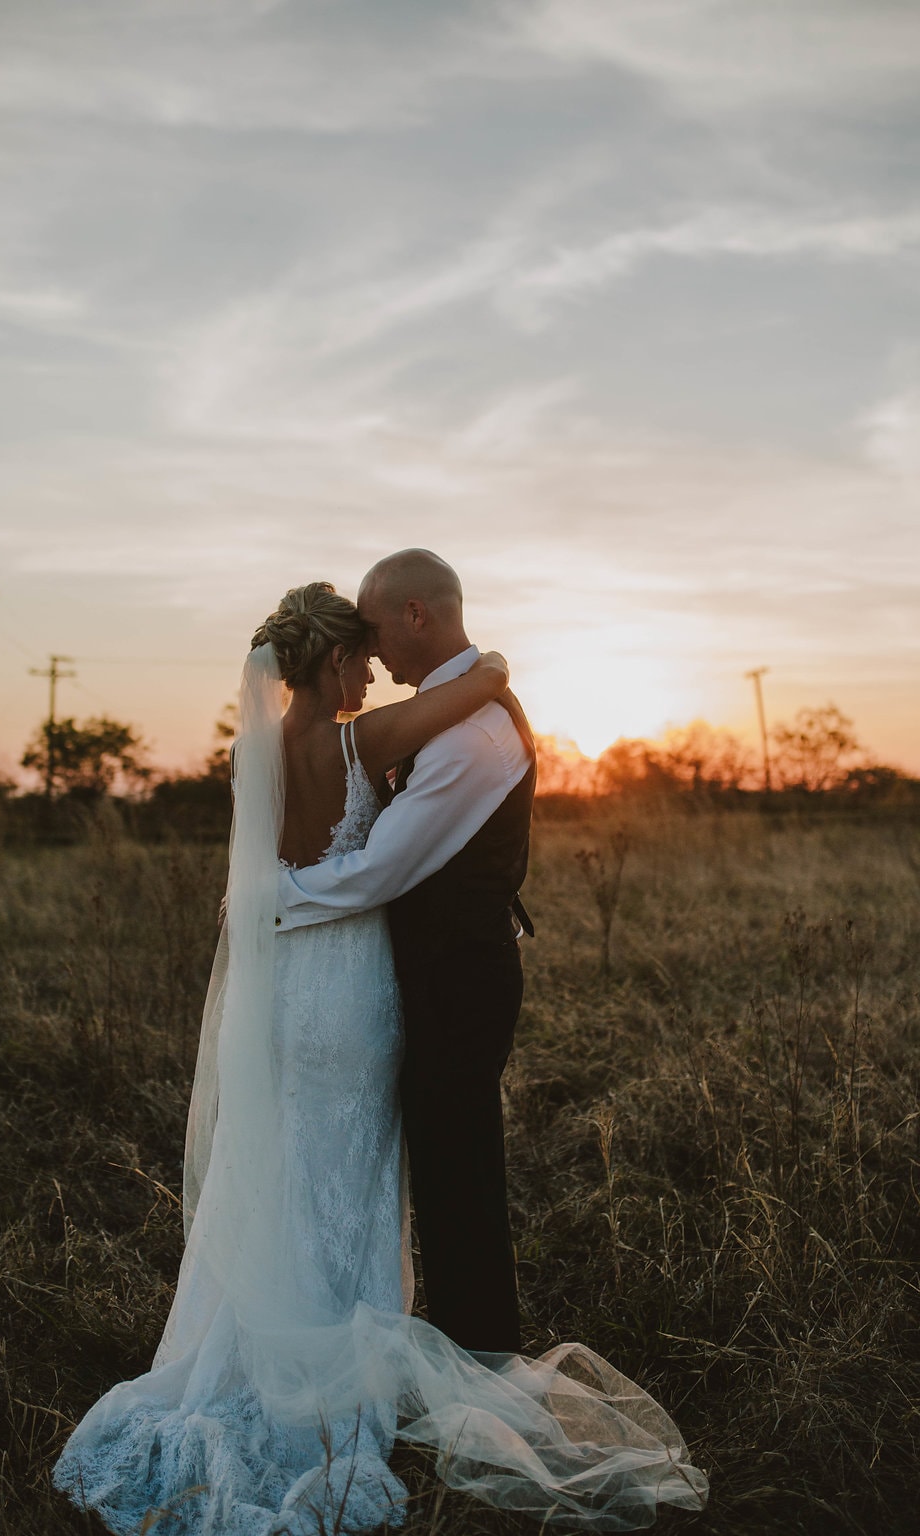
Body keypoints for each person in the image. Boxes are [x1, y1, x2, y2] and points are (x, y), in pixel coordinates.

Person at [53, 580, 708, 1536]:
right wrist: (494, 665)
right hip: (351, 985)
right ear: (330, 662)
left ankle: (259, 1352)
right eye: (359, 655)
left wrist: (271, 902)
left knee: (286, 1166)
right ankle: (337, 1382)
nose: (371, 668)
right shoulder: (360, 741)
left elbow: (269, 865)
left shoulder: (260, 751)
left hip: (283, 990)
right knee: (354, 1171)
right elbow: (467, 695)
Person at [276, 549, 535, 1354]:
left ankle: (478, 1351)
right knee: (438, 1161)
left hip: (456, 978)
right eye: (356, 638)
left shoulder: (469, 736)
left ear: (416, 614)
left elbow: (383, 870)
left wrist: (268, 899)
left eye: (378, 625)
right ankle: (449, 1335)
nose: (374, 645)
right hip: (414, 972)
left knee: (456, 1171)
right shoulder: (443, 712)